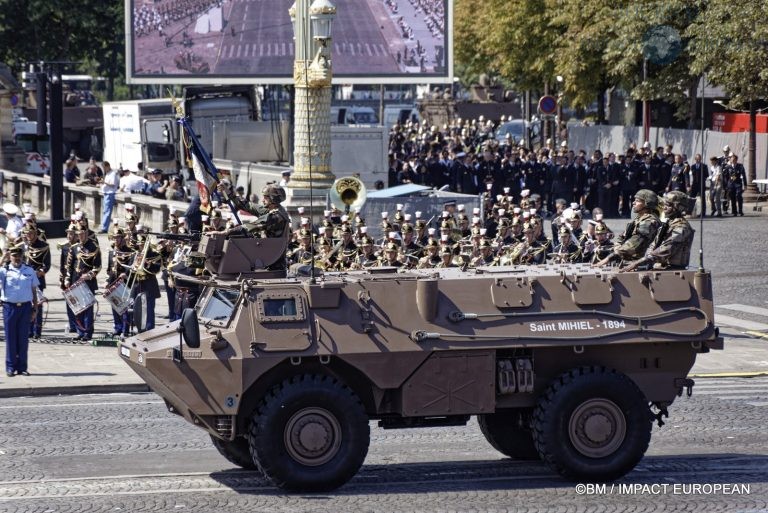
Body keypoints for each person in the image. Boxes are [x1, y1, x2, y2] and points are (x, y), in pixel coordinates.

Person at [622, 191, 695, 272]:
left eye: (668, 205)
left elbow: (665, 250)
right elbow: (653, 246)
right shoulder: (668, 224)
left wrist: (637, 263)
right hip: (661, 267)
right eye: (664, 204)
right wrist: (643, 262)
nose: (664, 208)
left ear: (678, 207)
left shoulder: (681, 227)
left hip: (673, 270)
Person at [594, 189, 661, 267]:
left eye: (637, 201)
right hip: (632, 259)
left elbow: (632, 245)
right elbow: (622, 238)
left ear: (647, 204)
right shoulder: (639, 219)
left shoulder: (649, 222)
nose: (633, 203)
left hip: (641, 263)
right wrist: (614, 247)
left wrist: (609, 258)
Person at [1, 244, 40, 376]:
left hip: (25, 307)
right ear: (10, 256)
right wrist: (3, 258)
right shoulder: (4, 270)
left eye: (19, 256)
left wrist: (35, 309)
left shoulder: (29, 270)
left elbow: (34, 291)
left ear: (22, 256)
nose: (16, 258)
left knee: (23, 338)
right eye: (14, 256)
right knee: (11, 338)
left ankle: (22, 367)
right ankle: (10, 367)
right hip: (9, 307)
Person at [65, 227, 101, 341]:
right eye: (78, 234)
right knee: (78, 308)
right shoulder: (74, 248)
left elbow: (97, 266)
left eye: (82, 234)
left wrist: (89, 275)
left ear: (86, 234)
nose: (80, 236)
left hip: (88, 281)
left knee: (88, 309)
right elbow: (70, 266)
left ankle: (87, 332)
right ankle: (80, 331)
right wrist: (67, 279)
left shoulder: (93, 247)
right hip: (76, 281)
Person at [22, 226, 50, 340]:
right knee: (27, 305)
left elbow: (46, 265)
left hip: (37, 279)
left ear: (35, 234)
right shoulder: (24, 246)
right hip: (25, 280)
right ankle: (29, 330)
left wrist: (40, 272)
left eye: (30, 234)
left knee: (37, 305)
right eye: (26, 234)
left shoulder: (44, 246)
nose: (28, 236)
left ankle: (37, 331)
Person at [100, 161, 120, 233]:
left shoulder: (113, 174)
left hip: (110, 194)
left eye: (104, 168)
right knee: (105, 211)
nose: (104, 169)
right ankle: (104, 227)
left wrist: (104, 182)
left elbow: (113, 184)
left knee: (107, 212)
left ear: (108, 166)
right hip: (106, 194)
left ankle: (104, 228)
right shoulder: (108, 173)